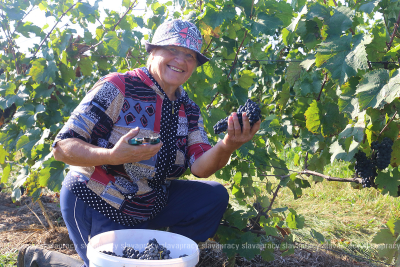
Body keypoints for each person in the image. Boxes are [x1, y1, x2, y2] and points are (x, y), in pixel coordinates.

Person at [17, 19, 261, 267]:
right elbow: (62, 147)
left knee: (213, 196)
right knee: (112, 263)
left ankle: (159, 257)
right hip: (99, 198)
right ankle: (44, 260)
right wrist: (112, 156)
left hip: (149, 201)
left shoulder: (188, 108)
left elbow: (200, 166)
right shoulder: (118, 87)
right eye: (173, 50)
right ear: (152, 50)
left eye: (190, 56)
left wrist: (228, 144)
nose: (181, 60)